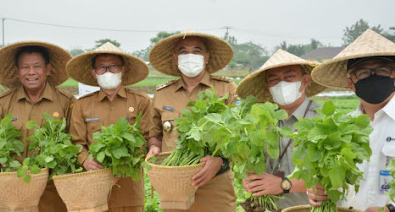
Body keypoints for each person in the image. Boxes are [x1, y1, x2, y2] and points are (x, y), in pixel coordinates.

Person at [146, 31, 237, 212]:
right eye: (183, 51)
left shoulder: (226, 89)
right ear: (175, 58)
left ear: (206, 57)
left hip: (215, 183)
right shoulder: (163, 93)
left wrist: (220, 160)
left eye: (197, 51)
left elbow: (240, 135)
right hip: (173, 185)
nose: (190, 56)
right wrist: (154, 148)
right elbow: (154, 135)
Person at [310, 29, 395, 212]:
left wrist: (391, 209)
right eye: (363, 73)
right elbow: (337, 185)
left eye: (382, 70)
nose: (373, 77)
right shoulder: (342, 127)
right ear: (350, 84)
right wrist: (320, 190)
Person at [236, 49, 326, 209]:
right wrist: (250, 179)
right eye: (274, 79)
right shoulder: (260, 122)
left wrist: (283, 184)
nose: (282, 83)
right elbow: (254, 163)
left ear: (305, 80)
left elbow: (330, 178)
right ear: (267, 87)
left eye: (289, 77)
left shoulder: (322, 119)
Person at [67, 42, 151, 212]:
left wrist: (122, 164)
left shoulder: (140, 101)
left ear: (123, 70)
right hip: (94, 190)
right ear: (94, 73)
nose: (108, 72)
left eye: (113, 66)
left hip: (130, 191)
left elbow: (148, 139)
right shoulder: (83, 105)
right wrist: (86, 161)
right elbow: (76, 142)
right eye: (101, 67)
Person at [0, 41, 75, 212]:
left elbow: (76, 141)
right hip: (11, 187)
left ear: (48, 69)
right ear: (17, 71)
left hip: (51, 190)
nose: (31, 72)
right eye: (25, 67)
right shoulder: (2, 103)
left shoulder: (66, 102)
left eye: (37, 66)